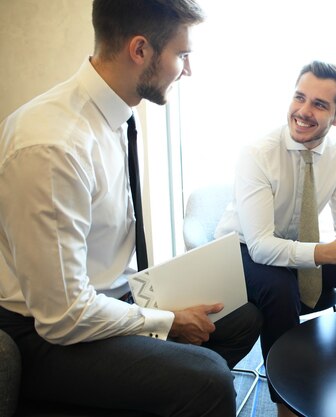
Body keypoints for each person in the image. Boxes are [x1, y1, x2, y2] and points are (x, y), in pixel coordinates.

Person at [0, 1, 261, 416]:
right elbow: (63, 316)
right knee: (209, 380)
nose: (187, 70)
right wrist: (165, 320)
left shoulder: (116, 115)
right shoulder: (52, 147)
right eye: (182, 54)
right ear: (140, 50)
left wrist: (157, 310)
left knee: (243, 316)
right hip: (46, 335)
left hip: (110, 295)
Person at [214, 60, 336, 417]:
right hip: (242, 250)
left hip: (297, 245)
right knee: (278, 287)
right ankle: (286, 403)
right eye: (299, 98)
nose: (303, 112)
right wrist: (324, 252)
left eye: (319, 105)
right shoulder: (258, 153)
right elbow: (260, 245)